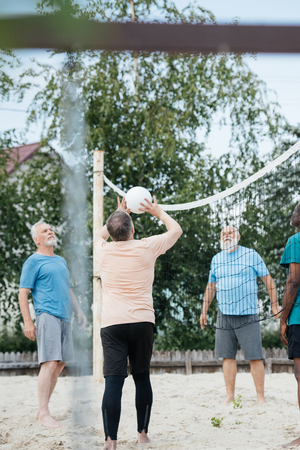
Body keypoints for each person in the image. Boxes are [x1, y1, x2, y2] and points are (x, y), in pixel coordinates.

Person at [94, 196, 182, 450]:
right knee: (141, 377)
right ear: (133, 230)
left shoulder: (104, 249)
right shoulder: (147, 246)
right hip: (142, 322)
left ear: (111, 234)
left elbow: (99, 237)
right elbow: (176, 229)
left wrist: (118, 211)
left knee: (113, 381)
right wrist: (156, 211)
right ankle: (142, 435)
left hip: (112, 325)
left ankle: (111, 441)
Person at [200, 225, 280, 404]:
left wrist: (275, 305)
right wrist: (203, 310)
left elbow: (268, 279)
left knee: (255, 356)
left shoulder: (251, 254)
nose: (226, 236)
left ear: (238, 236)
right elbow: (211, 286)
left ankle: (260, 396)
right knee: (227, 357)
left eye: (230, 233)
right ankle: (230, 396)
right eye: (223, 234)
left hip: (248, 314)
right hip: (224, 314)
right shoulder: (216, 259)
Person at [19, 221, 87, 429]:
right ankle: (44, 413)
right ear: (36, 239)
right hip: (47, 315)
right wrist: (28, 322)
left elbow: (67, 288)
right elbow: (23, 293)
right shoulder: (33, 261)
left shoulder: (61, 261)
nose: (49, 232)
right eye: (44, 231)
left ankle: (43, 409)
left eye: (50, 229)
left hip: (65, 318)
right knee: (49, 363)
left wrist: (79, 311)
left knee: (59, 365)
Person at [279, 202, 300, 448]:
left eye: (296, 209)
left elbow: (293, 282)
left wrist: (283, 319)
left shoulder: (295, 240)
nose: (293, 213)